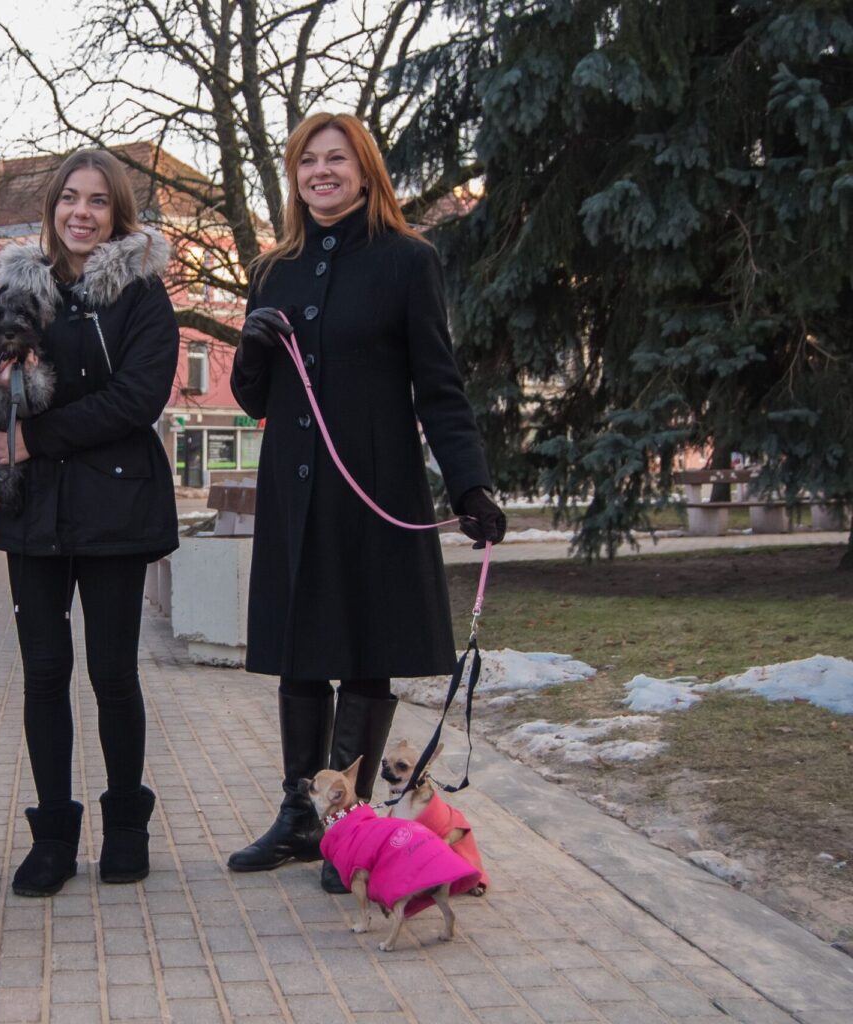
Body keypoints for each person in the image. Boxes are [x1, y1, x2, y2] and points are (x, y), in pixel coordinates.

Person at [224, 113, 506, 892]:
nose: (321, 171)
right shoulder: (273, 266)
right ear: (294, 176)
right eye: (307, 161)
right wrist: (252, 343)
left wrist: (471, 482)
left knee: (366, 651)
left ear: (364, 169)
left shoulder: (408, 261)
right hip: (296, 488)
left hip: (374, 486)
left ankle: (346, 825)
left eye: (335, 159)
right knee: (302, 653)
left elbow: (439, 388)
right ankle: (298, 817)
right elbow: (256, 398)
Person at [0, 149, 180, 896]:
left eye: (98, 201)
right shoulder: (16, 288)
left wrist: (36, 434)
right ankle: (54, 837)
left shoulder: (140, 292)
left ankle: (126, 826)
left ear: (117, 214)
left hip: (115, 507)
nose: (82, 213)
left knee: (112, 673)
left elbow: (138, 399)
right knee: (43, 674)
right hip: (33, 509)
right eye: (70, 198)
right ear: (52, 207)